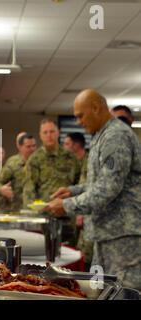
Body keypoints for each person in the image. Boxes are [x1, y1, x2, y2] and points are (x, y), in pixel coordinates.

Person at [45, 89, 141, 290]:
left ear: (96, 108)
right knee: (101, 290)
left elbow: (108, 189)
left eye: (80, 115)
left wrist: (67, 205)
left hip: (123, 235)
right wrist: (73, 191)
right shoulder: (101, 135)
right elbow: (100, 182)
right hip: (106, 233)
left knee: (123, 291)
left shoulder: (116, 136)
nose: (78, 122)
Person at [23, 119, 81, 246]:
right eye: (45, 132)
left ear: (58, 133)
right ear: (40, 135)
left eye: (52, 131)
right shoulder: (35, 159)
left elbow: (79, 184)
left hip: (68, 216)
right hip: (45, 218)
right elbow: (29, 189)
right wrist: (32, 214)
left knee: (69, 256)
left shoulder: (71, 157)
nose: (49, 135)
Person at [64, 132, 93, 269]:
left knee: (86, 254)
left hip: (86, 213)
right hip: (75, 211)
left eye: (67, 144)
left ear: (76, 145)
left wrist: (81, 213)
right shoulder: (73, 162)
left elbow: (91, 189)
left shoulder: (89, 160)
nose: (64, 147)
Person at [0, 134, 37, 211]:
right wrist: (1, 189)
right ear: (20, 147)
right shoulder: (13, 163)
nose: (32, 149)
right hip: (18, 210)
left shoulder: (41, 161)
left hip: (38, 209)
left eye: (34, 146)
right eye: (28, 147)